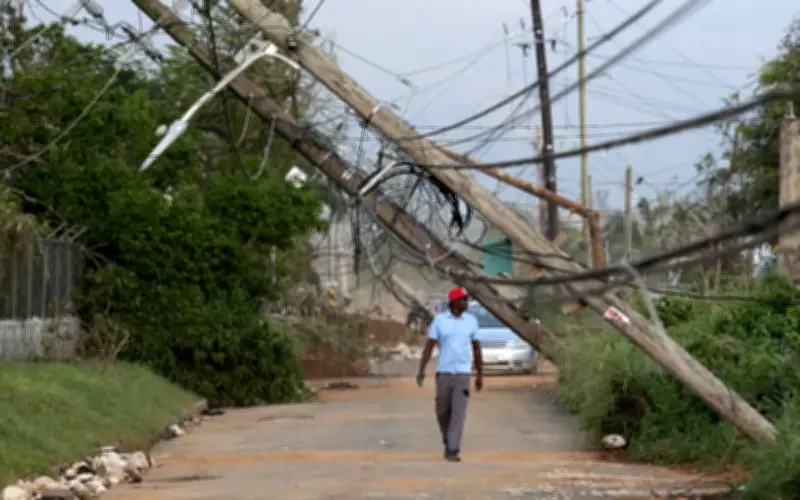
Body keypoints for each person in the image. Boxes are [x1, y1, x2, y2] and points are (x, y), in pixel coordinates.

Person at [416, 286, 483, 462]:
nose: (466, 303)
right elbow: (429, 346)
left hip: (463, 372)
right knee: (442, 410)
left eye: (466, 299)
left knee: (459, 412)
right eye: (463, 299)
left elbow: (476, 348)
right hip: (444, 372)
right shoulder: (439, 321)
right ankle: (448, 439)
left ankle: (453, 449)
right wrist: (421, 369)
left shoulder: (471, 321)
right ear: (454, 302)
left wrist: (479, 375)